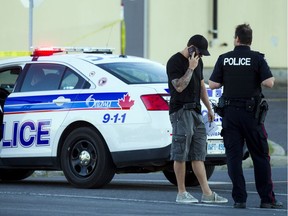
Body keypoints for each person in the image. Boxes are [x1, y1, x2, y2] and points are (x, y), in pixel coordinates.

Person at [209, 24, 283, 209]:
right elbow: (269, 83)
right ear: (250, 40)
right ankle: (267, 200)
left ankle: (239, 199)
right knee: (260, 156)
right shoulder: (257, 58)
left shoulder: (224, 59)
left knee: (233, 157)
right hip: (251, 115)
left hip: (230, 115)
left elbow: (213, 85)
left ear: (236, 39)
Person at [166, 34, 228, 204]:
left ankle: (207, 193)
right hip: (180, 112)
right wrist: (191, 68)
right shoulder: (175, 62)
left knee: (198, 154)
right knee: (180, 153)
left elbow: (201, 86)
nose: (200, 57)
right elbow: (178, 87)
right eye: (199, 53)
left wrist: (209, 108)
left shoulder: (198, 62)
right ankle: (181, 192)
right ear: (191, 48)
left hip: (196, 111)